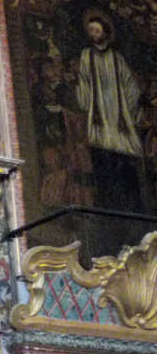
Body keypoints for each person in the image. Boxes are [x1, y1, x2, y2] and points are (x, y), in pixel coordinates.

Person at [75, 11, 145, 213]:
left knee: (124, 158)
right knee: (102, 155)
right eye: (91, 31)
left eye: (97, 30)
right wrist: (85, 103)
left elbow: (128, 83)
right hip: (98, 112)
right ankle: (107, 201)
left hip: (118, 111)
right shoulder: (86, 55)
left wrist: (133, 103)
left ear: (105, 32)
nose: (94, 34)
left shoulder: (117, 58)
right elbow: (84, 80)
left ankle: (133, 204)